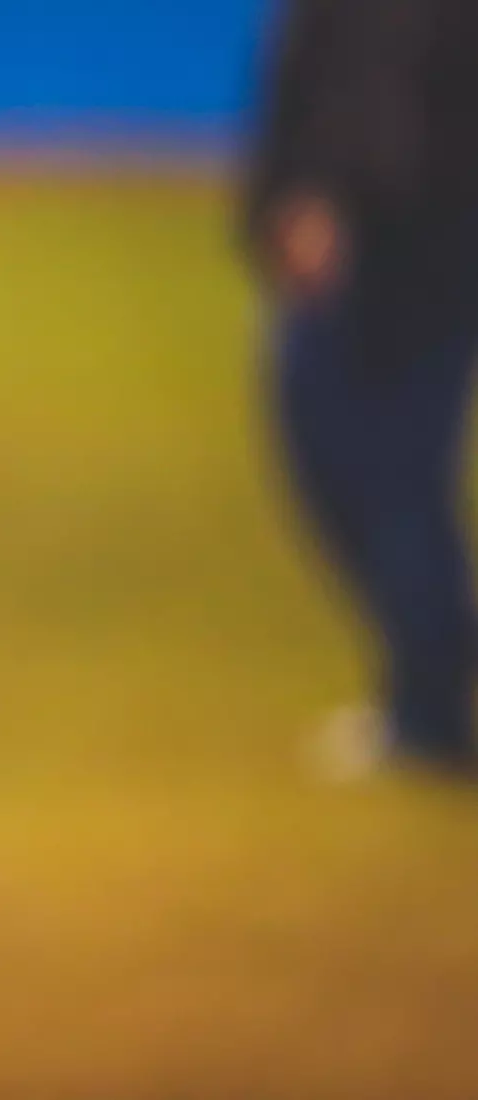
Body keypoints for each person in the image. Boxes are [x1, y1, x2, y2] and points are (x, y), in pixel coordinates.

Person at [243, 0, 478, 775]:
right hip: (366, 239)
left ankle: (428, 708)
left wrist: (334, 198)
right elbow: (308, 80)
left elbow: (390, 96)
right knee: (339, 462)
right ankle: (430, 675)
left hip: (409, 248)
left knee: (394, 478)